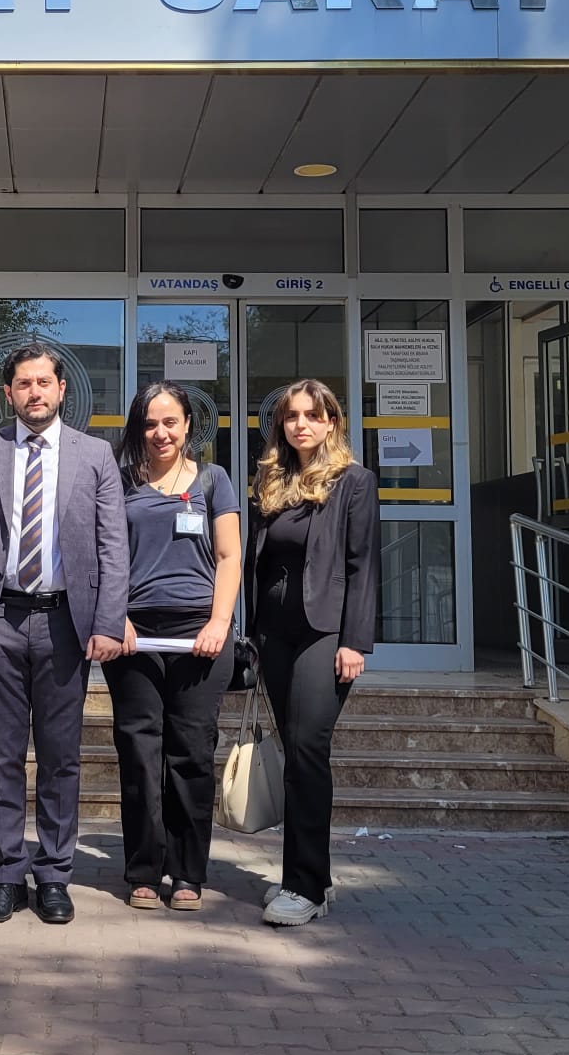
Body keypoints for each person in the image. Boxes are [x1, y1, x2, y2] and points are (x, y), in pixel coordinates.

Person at [0, 344, 129, 927]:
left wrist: (106, 620)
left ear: (62, 389)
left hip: (66, 624)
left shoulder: (95, 454)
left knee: (60, 757)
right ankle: (4, 875)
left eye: (45, 382)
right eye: (24, 384)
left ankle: (53, 875)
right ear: (8, 393)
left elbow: (112, 546)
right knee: (0, 755)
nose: (35, 393)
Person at [101, 381, 242, 913]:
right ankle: (142, 869)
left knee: (192, 755)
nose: (160, 433)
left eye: (170, 422)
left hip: (200, 636)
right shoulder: (120, 481)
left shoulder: (213, 480)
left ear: (187, 425)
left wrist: (219, 623)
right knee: (139, 754)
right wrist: (117, 616)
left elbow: (229, 558)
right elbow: (103, 551)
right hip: (134, 634)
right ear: (138, 428)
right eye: (150, 423)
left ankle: (186, 873)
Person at [247, 378, 381, 929]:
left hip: (325, 634)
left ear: (331, 423)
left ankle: (304, 884)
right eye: (291, 416)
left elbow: (363, 566)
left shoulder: (354, 482)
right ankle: (306, 881)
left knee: (307, 750)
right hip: (274, 637)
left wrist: (355, 641)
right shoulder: (271, 482)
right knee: (296, 751)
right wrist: (250, 635)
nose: (300, 424)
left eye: (312, 415)